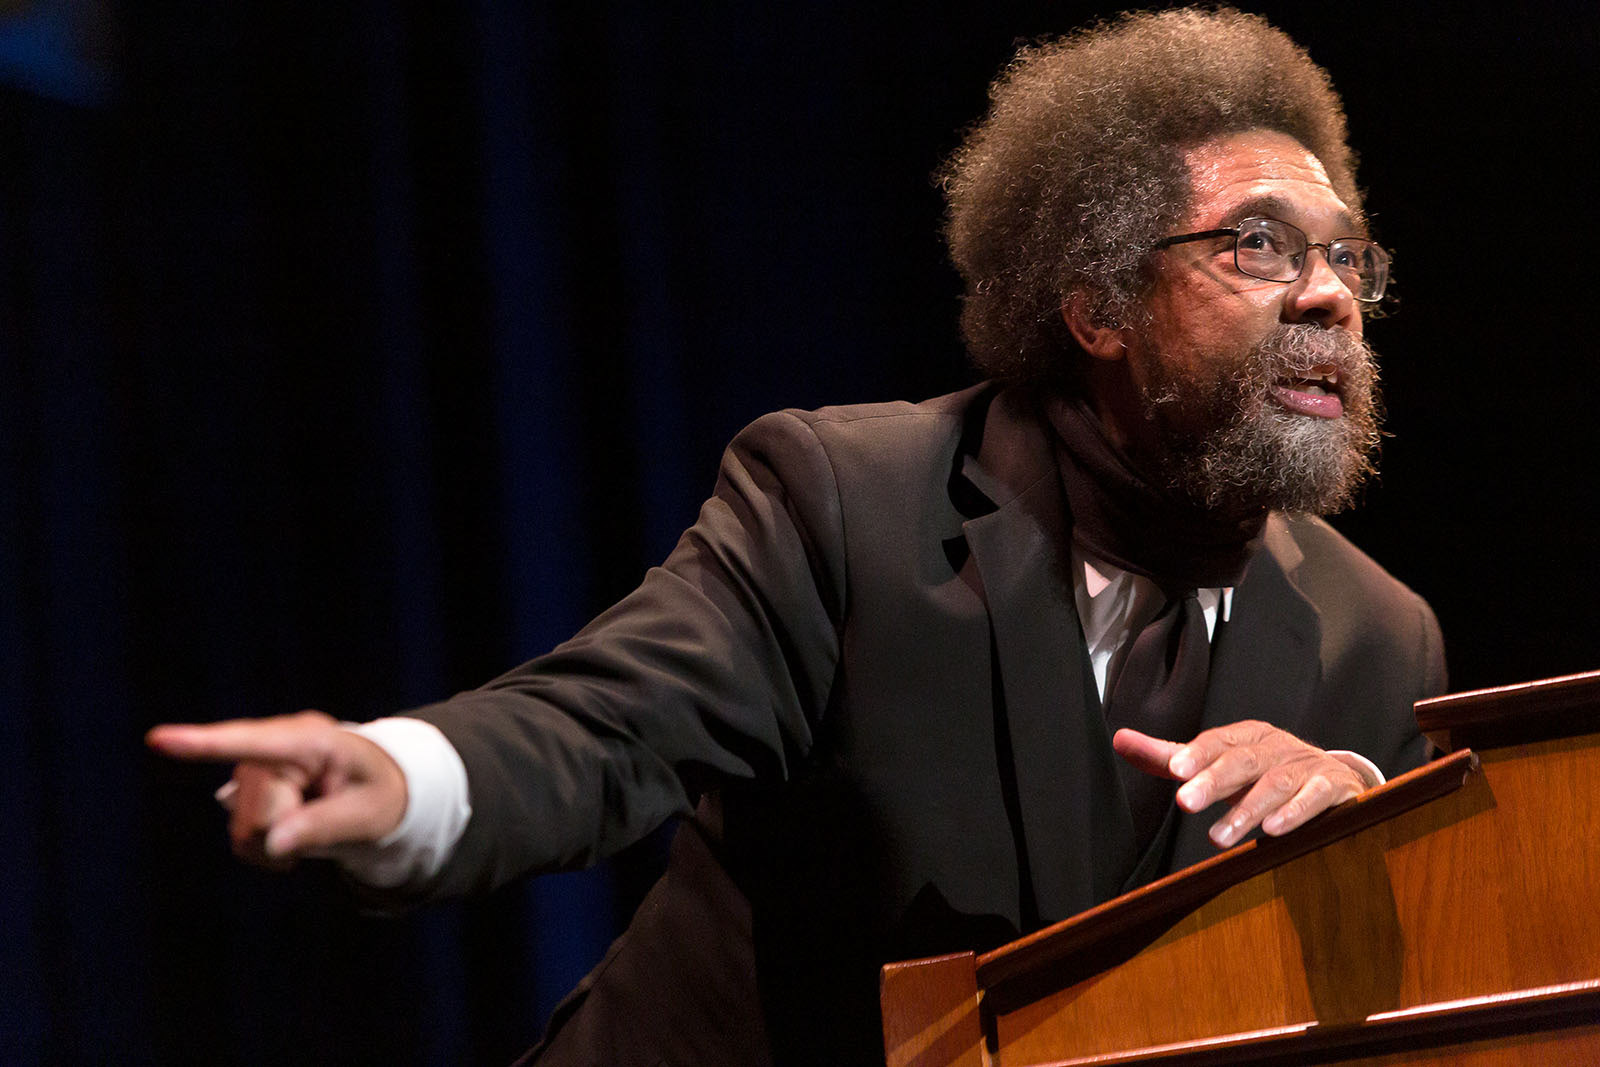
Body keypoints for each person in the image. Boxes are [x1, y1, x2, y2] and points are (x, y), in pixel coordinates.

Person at [149, 8, 1445, 1065]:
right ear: (1098, 306)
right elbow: (612, 725)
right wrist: (405, 778)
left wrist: (1370, 844)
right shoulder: (851, 504)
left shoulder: (1378, 640)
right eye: (1258, 245)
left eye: (1348, 258)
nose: (1329, 297)